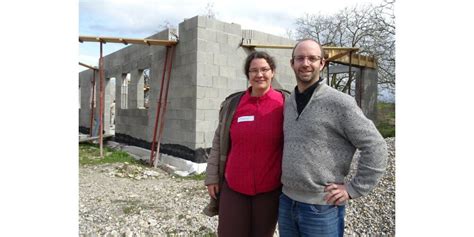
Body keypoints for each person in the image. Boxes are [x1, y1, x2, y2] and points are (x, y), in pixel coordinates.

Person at [278, 39, 388, 237]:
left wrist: (353, 188)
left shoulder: (340, 103)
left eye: (312, 58)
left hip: (322, 208)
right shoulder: (288, 102)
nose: (305, 63)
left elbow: (376, 145)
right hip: (286, 202)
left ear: (322, 63)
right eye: (300, 58)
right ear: (292, 63)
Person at [203, 51, 289, 237]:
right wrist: (211, 177)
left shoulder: (285, 103)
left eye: (264, 69)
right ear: (248, 75)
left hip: (269, 190)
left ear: (272, 72)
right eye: (254, 70)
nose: (259, 75)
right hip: (234, 187)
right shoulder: (233, 104)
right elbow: (218, 141)